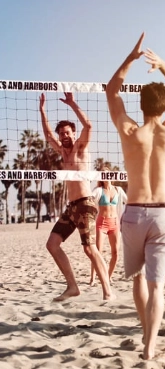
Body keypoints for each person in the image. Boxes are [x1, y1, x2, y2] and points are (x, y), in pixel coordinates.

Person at [106, 32, 165, 360]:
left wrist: (131, 57)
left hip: (134, 213)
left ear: (140, 105)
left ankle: (144, 331)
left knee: (137, 278)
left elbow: (111, 89)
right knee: (158, 287)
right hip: (162, 215)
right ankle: (151, 346)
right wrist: (162, 64)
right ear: (164, 106)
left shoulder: (129, 131)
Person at [39, 92, 114, 302]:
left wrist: (72, 103)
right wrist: (42, 110)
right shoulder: (62, 152)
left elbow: (88, 126)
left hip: (86, 204)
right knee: (52, 244)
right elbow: (47, 135)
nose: (64, 136)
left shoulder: (80, 148)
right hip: (71, 207)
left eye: (68, 132)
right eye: (61, 133)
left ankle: (108, 291)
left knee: (90, 249)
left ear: (74, 134)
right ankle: (73, 287)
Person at [90, 165, 127, 286]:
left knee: (115, 253)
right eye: (103, 174)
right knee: (97, 252)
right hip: (102, 223)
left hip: (115, 224)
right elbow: (89, 198)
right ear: (101, 177)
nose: (106, 176)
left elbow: (129, 201)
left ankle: (108, 277)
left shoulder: (118, 190)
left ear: (111, 175)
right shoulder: (98, 190)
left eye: (107, 173)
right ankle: (93, 278)